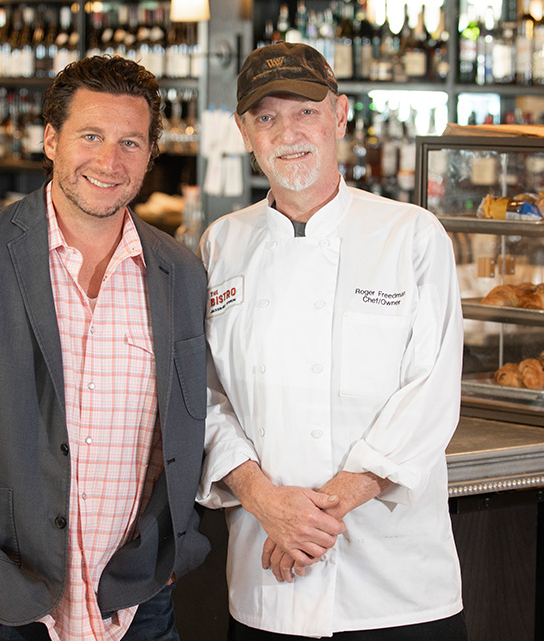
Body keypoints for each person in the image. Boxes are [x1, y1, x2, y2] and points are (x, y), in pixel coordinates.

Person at [0, 55, 210, 641]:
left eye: (130, 143)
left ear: (151, 154)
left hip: (138, 601)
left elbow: (192, 423)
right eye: (91, 135)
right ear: (51, 140)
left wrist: (174, 548)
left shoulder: (181, 272)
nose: (110, 162)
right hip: (10, 599)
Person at [197, 42, 467, 640]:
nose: (286, 132)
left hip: (396, 588)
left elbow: (431, 393)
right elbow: (204, 397)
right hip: (267, 584)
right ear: (244, 131)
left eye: (305, 111)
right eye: (265, 117)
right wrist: (266, 503)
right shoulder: (221, 244)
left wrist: (316, 518)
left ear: (340, 115)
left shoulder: (413, 236)